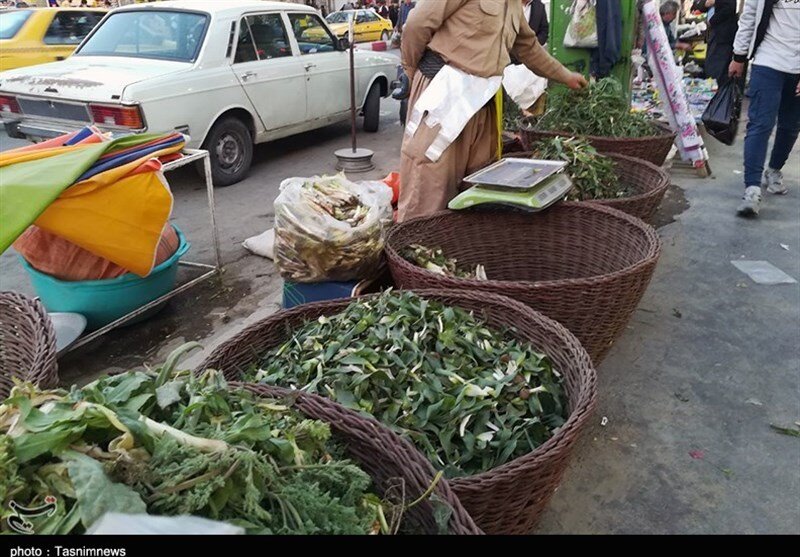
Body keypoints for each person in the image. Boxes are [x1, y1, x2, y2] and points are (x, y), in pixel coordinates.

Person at [397, 0, 587, 221]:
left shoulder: (514, 4)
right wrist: (411, 73)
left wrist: (566, 77)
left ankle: (458, 250)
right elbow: (416, 25)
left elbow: (529, 48)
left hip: (482, 104)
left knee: (476, 189)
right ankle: (413, 248)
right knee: (430, 187)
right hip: (444, 98)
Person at [730, 0, 800, 217]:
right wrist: (738, 56)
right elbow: (749, 18)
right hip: (767, 61)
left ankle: (774, 169)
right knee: (760, 124)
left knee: (790, 126)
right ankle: (751, 188)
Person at [692, 0, 738, 85]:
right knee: (710, 64)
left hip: (723, 34)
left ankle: (717, 91)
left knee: (717, 67)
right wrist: (706, 4)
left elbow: (729, 8)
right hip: (713, 33)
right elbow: (696, 5)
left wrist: (712, 20)